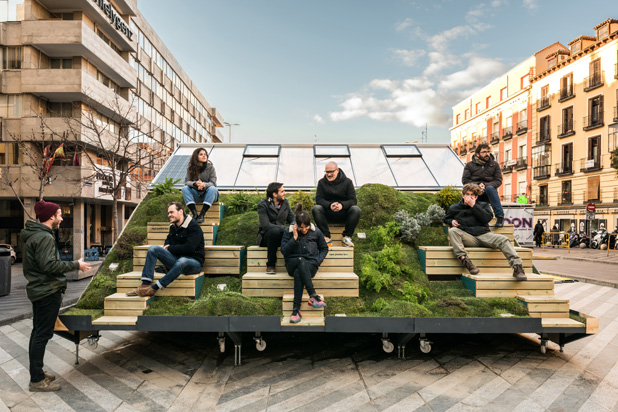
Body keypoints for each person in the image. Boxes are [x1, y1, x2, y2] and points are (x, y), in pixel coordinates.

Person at [21, 200, 90, 392]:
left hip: (40, 290)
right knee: (41, 335)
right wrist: (76, 265)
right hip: (47, 291)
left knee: (38, 333)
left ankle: (38, 373)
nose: (61, 216)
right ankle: (36, 380)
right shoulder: (44, 237)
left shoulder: (35, 235)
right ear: (51, 217)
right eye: (59, 213)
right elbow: (49, 266)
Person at [444, 183, 527, 281]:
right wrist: (451, 221)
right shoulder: (454, 208)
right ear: (463, 195)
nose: (469, 197)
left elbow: (486, 219)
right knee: (453, 231)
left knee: (504, 239)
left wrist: (474, 206)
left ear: (476, 197)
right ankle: (465, 261)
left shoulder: (483, 205)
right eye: (467, 194)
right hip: (468, 237)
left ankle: (518, 267)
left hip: (485, 235)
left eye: (472, 195)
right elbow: (446, 218)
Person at [128, 202, 204, 297]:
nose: (169, 215)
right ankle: (145, 285)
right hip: (177, 260)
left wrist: (171, 248)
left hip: (194, 263)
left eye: (171, 212)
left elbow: (189, 248)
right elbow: (167, 242)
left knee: (182, 261)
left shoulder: (194, 226)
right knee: (153, 249)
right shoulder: (173, 226)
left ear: (180, 212)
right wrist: (169, 247)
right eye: (168, 213)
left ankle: (154, 288)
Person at [281, 203, 329, 323]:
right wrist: (295, 238)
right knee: (300, 262)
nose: (304, 230)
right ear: (296, 224)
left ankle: (296, 310)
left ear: (309, 224)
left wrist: (317, 261)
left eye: (306, 227)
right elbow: (284, 251)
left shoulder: (316, 232)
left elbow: (324, 248)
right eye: (301, 227)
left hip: (310, 265)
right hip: (292, 263)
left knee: (299, 273)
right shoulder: (289, 232)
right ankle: (312, 295)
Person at [312, 161, 361, 247]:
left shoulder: (348, 182)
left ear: (337, 170)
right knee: (316, 208)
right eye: (327, 172)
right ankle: (326, 237)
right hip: (327, 214)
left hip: (344, 214)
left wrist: (342, 205)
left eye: (331, 172)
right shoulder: (321, 182)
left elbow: (353, 200)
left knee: (356, 209)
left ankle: (346, 237)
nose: (329, 174)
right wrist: (330, 205)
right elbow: (319, 199)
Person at [462, 144, 504, 227]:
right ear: (477, 154)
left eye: (488, 152)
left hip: (489, 193)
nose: (487, 154)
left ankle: (500, 217)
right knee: (468, 193)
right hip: (475, 193)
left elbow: (498, 180)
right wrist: (477, 186)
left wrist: (485, 185)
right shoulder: (469, 165)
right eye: (484, 152)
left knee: (490, 188)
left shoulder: (494, 165)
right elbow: (465, 180)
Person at [257, 182, 294, 274]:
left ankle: (294, 264)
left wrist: (294, 225)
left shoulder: (285, 202)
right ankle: (270, 265)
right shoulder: (263, 205)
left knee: (294, 232)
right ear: (274, 194)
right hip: (267, 236)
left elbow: (292, 218)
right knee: (274, 232)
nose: (284, 193)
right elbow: (266, 225)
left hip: (282, 235)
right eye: (282, 191)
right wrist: (284, 228)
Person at [182, 148, 218, 223]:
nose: (204, 156)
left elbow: (213, 183)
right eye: (201, 154)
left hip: (208, 194)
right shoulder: (190, 168)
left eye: (205, 154)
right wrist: (195, 183)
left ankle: (202, 214)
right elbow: (186, 182)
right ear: (196, 156)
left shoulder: (210, 168)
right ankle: (194, 213)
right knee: (185, 188)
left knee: (212, 188)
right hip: (196, 194)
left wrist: (204, 184)